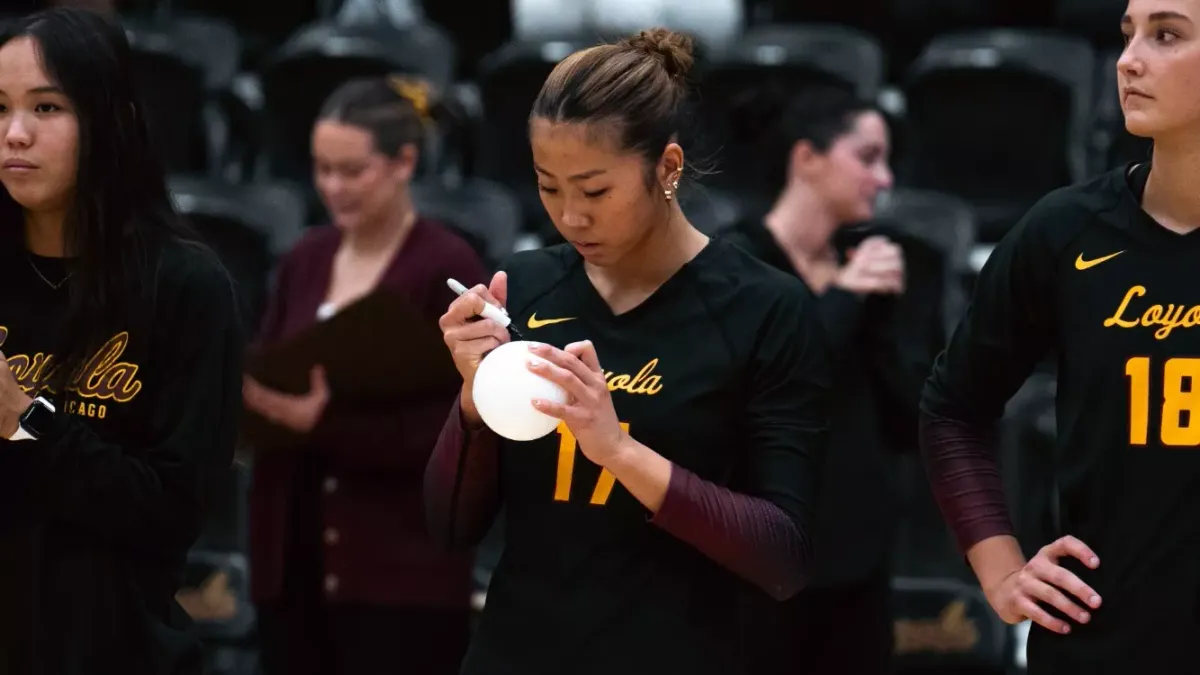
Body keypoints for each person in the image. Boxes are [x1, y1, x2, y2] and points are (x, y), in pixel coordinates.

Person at [425, 27, 831, 675]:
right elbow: (449, 527)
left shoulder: (764, 308)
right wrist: (471, 402)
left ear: (666, 168)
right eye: (548, 186)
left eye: (594, 191)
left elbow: (783, 558)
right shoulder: (523, 288)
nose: (570, 216)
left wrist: (617, 451)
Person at [920, 0, 1200, 672]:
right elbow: (952, 408)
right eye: (1127, 35)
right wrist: (1002, 571)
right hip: (1101, 648)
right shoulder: (1065, 232)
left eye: (1166, 36)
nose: (1128, 61)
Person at [0, 8, 241, 675]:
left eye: (46, 107)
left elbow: (172, 511)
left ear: (112, 120)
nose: (15, 133)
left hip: (117, 650)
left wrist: (26, 423)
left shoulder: (187, 286)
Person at [243, 76, 489, 675]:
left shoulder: (446, 265)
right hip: (293, 562)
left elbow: (457, 428)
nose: (333, 186)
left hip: (399, 575)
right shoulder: (305, 257)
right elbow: (270, 367)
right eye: (322, 169)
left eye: (352, 171)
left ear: (404, 162)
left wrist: (325, 424)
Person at [723, 86, 942, 675]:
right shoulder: (738, 261)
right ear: (806, 158)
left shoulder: (866, 265)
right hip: (762, 558)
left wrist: (883, 313)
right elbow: (767, 385)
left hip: (859, 554)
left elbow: (911, 415)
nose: (884, 179)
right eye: (867, 157)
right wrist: (843, 298)